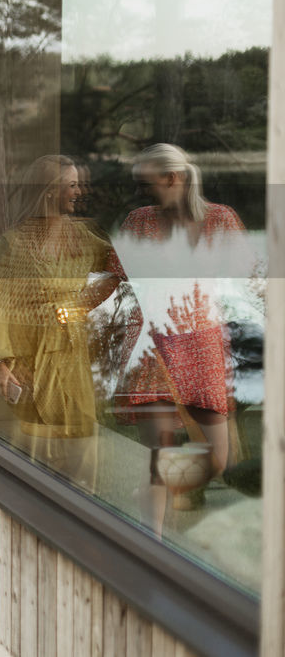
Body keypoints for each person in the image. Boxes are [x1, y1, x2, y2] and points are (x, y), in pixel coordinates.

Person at [116, 143, 255, 528]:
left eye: (147, 185)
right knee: (158, 453)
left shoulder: (221, 220)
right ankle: (151, 542)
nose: (141, 194)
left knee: (219, 458)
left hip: (204, 344)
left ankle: (159, 490)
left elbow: (251, 277)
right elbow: (116, 277)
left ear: (172, 178)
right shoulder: (138, 221)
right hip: (153, 344)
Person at [0, 155, 126, 490]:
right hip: (26, 355)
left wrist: (82, 304)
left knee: (78, 446)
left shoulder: (85, 239)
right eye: (71, 185)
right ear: (48, 191)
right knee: (26, 450)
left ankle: (79, 513)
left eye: (78, 184)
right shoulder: (13, 244)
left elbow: (122, 268)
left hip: (70, 355)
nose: (79, 191)